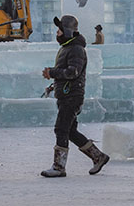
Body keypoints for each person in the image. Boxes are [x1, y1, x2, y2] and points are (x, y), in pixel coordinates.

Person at [40, 15, 109, 178]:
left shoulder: (76, 49)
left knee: (61, 129)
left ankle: (59, 167)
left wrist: (52, 73)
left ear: (68, 31)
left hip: (72, 97)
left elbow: (73, 72)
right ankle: (98, 157)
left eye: (59, 29)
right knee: (70, 131)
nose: (57, 33)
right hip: (67, 94)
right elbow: (68, 72)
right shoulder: (68, 47)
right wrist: (54, 82)